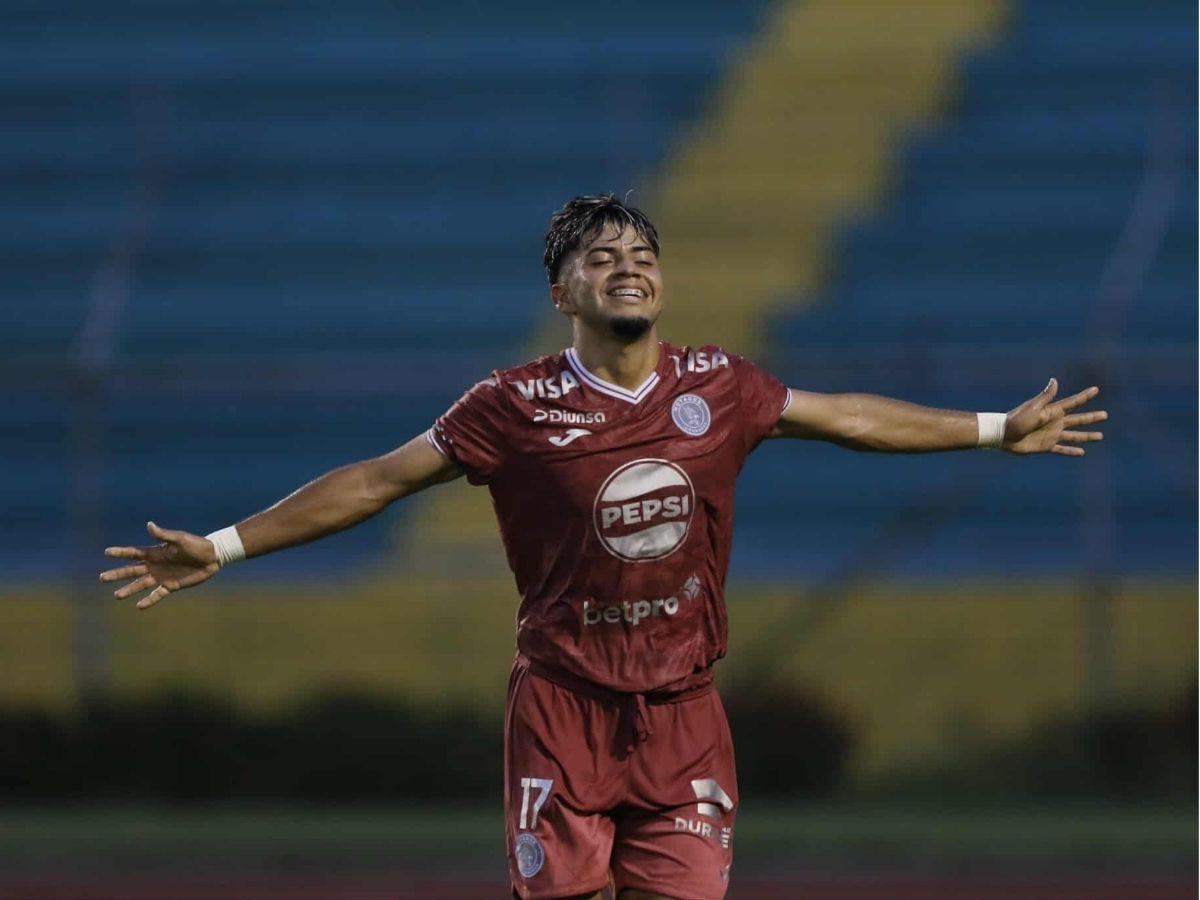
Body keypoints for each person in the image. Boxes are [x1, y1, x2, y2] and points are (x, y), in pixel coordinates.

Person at [99, 194, 1107, 900]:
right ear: (564, 294)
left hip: (683, 713)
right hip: (563, 710)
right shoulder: (511, 405)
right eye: (602, 257)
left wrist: (994, 428)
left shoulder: (722, 386)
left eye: (643, 254)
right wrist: (223, 547)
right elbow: (373, 480)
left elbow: (849, 416)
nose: (629, 266)